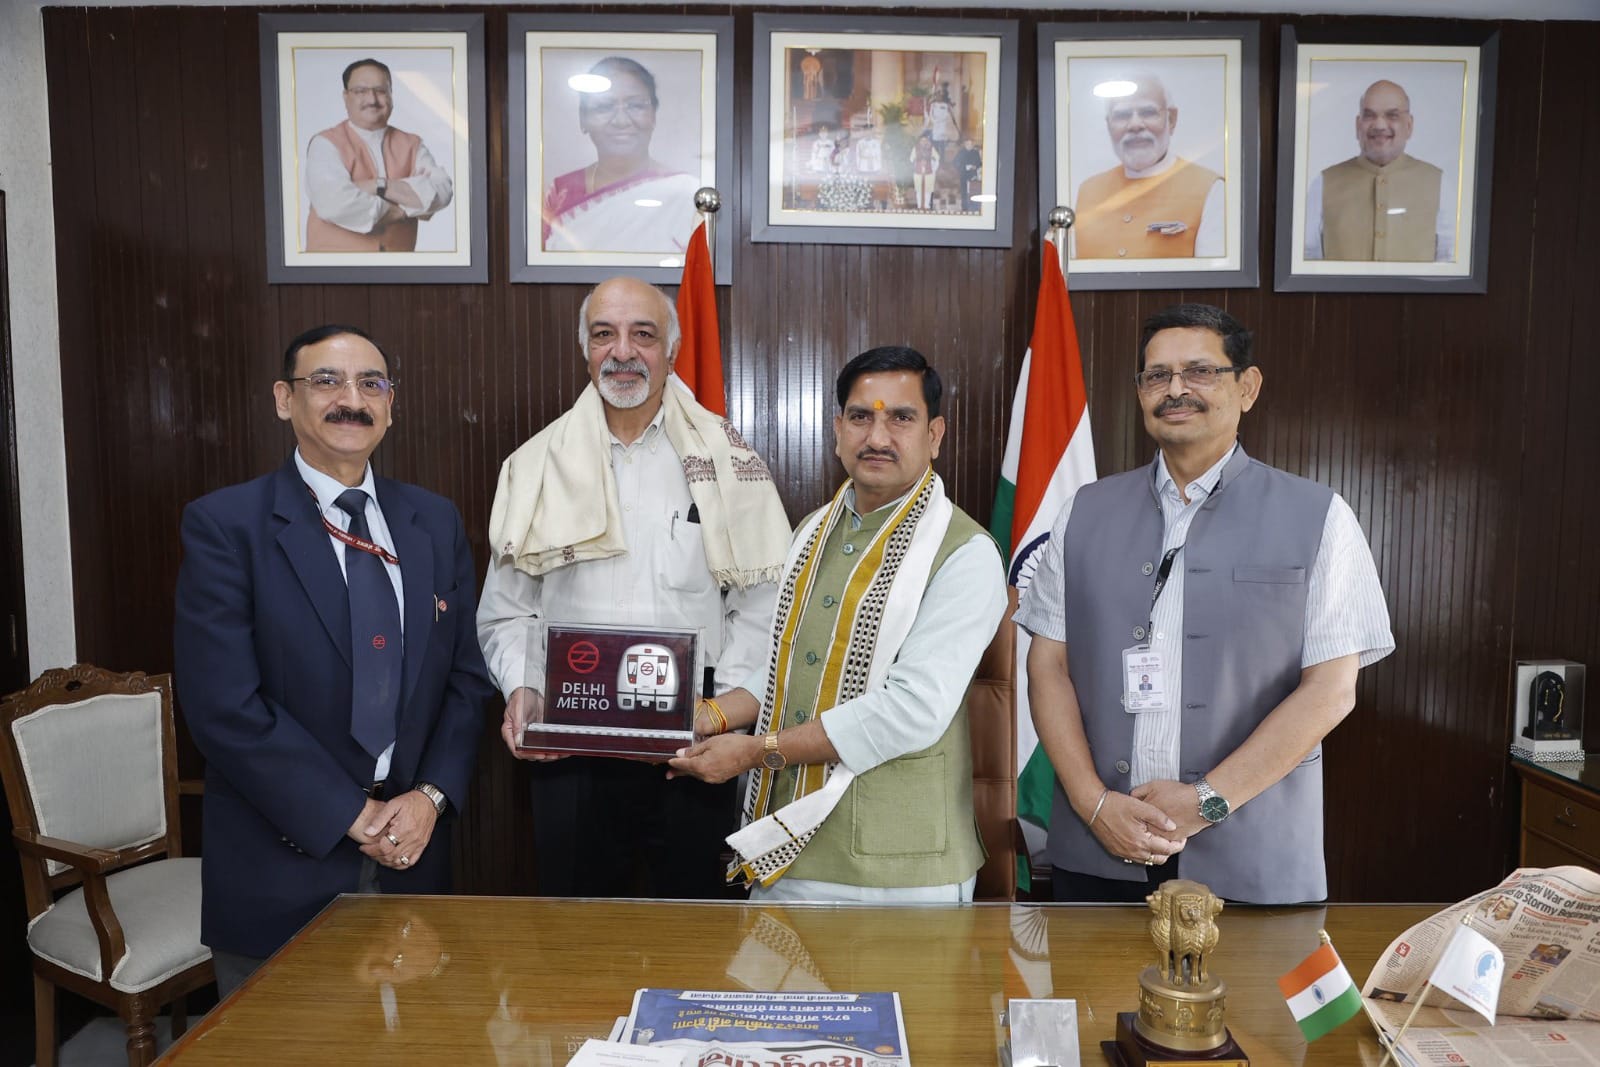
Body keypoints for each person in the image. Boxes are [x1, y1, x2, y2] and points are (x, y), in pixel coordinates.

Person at [1017, 304, 1393, 905]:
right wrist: (1093, 804)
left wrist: (1206, 801)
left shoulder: (1319, 516)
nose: (1175, 390)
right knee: (1091, 999)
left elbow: (1330, 690)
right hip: (1099, 850)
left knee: (1247, 1005)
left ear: (1247, 386)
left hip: (1252, 859)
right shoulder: (1083, 512)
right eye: (1156, 375)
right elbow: (1048, 667)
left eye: (1199, 372)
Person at [174, 324, 493, 996]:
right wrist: (351, 813)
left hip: (416, 853)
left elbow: (466, 679)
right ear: (284, 399)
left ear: (391, 403)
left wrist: (431, 797)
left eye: (370, 383)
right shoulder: (226, 525)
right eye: (328, 381)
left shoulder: (433, 521)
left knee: (418, 1048)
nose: (352, 399)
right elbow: (223, 706)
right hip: (279, 865)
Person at [477, 276, 790, 899]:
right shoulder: (534, 468)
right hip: (570, 740)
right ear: (585, 350)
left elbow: (763, 610)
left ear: (671, 349)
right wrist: (522, 688)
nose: (622, 351)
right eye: (604, 334)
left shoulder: (729, 463)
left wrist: (720, 714)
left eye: (642, 334)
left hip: (694, 743)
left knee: (698, 943)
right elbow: (505, 614)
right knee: (577, 940)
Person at [670, 346, 1008, 904]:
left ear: (935, 434)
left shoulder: (965, 553)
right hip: (784, 847)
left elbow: (911, 711)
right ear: (837, 430)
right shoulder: (813, 531)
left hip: (899, 870)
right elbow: (787, 672)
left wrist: (757, 752)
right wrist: (706, 716)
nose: (877, 436)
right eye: (861, 417)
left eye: (901, 417)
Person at [542, 57, 700, 255]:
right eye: (604, 106)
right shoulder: (560, 193)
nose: (621, 121)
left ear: (653, 115)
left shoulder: (686, 193)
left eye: (635, 106)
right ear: (583, 119)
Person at [305, 58, 455, 253]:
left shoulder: (413, 144)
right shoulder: (325, 143)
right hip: (334, 271)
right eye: (361, 91)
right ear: (345, 97)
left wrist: (378, 186)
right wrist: (400, 210)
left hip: (399, 269)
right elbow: (333, 203)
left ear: (391, 95)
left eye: (381, 91)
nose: (372, 100)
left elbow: (442, 191)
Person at [1073, 76, 1223, 260]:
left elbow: (1213, 279)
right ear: (1109, 125)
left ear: (1172, 120)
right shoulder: (1087, 191)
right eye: (1122, 115)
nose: (1135, 125)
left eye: (1148, 112)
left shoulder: (1210, 189)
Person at [1305, 80, 1452, 262]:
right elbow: (1308, 257)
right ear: (1358, 125)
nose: (1380, 125)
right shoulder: (1324, 182)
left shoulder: (1438, 183)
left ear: (1409, 125)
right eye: (1369, 116)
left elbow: (1450, 260)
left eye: (1392, 115)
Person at [953, 137, 983, 212]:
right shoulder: (961, 153)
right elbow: (955, 163)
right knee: (964, 192)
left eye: (971, 144)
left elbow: (979, 163)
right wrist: (965, 167)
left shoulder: (975, 152)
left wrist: (975, 166)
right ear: (965, 144)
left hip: (973, 175)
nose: (970, 145)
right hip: (964, 175)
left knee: (974, 191)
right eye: (968, 144)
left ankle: (973, 207)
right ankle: (965, 207)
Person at [911, 131, 938, 211]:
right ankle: (919, 205)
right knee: (919, 190)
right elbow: (911, 159)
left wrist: (933, 166)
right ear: (919, 141)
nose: (923, 142)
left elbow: (937, 158)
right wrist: (917, 161)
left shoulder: (931, 148)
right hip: (918, 172)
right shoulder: (915, 148)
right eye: (922, 140)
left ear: (927, 141)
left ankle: (927, 205)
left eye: (925, 140)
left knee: (928, 190)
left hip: (928, 172)